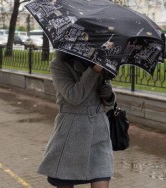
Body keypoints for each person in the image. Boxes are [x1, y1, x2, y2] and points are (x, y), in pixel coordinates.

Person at [38, 51, 116, 188]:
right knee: (64, 180)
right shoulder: (59, 64)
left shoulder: (99, 60)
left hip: (98, 130)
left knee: (101, 177)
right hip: (71, 132)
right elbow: (74, 96)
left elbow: (108, 103)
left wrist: (108, 94)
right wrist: (94, 71)